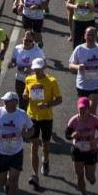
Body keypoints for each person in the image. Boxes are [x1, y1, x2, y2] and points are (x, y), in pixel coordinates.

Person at [0, 90, 34, 195]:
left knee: (14, 179)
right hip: (1, 151)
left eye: (8, 101)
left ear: (15, 102)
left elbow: (31, 129)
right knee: (0, 182)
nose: (5, 103)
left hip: (16, 151)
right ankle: (6, 184)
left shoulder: (22, 114)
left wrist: (27, 134)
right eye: (4, 101)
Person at [24, 57, 63, 187]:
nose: (36, 71)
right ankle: (35, 175)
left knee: (45, 144)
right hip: (32, 116)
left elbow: (59, 99)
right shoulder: (29, 79)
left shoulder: (51, 81)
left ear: (44, 68)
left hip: (46, 117)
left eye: (39, 69)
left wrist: (47, 105)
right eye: (35, 69)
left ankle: (45, 160)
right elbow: (26, 91)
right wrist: (25, 94)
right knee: (34, 145)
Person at [65, 96, 98, 195]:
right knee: (79, 174)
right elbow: (67, 134)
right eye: (80, 109)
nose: (82, 111)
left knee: (89, 176)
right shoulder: (73, 120)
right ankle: (83, 194)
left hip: (90, 150)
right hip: (77, 149)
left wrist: (96, 140)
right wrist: (72, 135)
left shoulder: (93, 119)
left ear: (88, 108)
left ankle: (92, 178)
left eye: (84, 109)